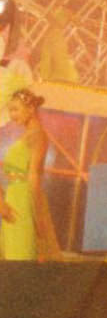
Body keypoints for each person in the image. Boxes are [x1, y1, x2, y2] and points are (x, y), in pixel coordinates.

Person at [1, 63, 59, 260]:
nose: (12, 115)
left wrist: (38, 218)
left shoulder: (37, 135)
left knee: (22, 257)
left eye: (16, 110)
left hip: (24, 201)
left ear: (31, 108)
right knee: (12, 257)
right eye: (10, 110)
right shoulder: (25, 136)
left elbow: (34, 178)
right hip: (12, 199)